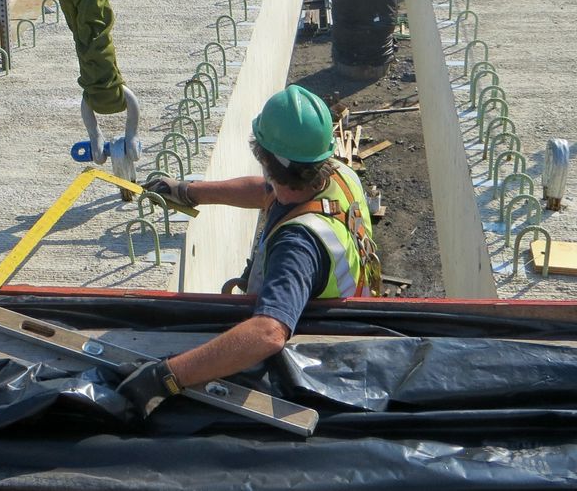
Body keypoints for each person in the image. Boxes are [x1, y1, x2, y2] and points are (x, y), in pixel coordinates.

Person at [118, 85, 381, 417]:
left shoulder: (298, 245)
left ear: (265, 160)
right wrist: (189, 192)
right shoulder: (338, 175)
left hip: (313, 363)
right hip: (352, 320)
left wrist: (167, 377)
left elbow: (268, 333)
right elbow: (268, 191)